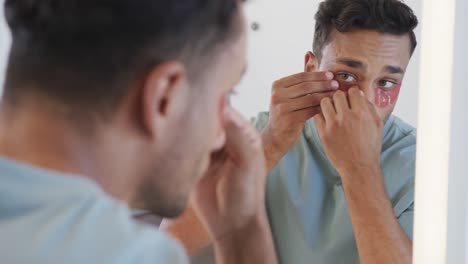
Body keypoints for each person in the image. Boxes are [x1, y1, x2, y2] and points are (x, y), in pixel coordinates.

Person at [0, 0, 277, 263]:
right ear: (165, 97)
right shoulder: (127, 256)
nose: (221, 136)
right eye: (227, 93)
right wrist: (244, 232)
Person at [162, 0, 418, 263]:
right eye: (347, 77)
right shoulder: (256, 135)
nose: (365, 100)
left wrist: (360, 168)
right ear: (310, 68)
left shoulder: (421, 170)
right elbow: (172, 242)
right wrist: (271, 143)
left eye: (386, 83)